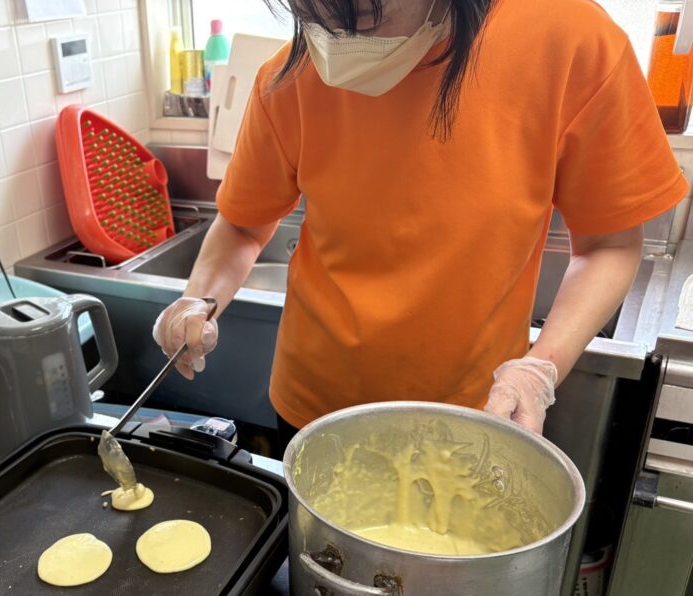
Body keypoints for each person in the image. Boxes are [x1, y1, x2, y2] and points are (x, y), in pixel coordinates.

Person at [152, 0, 688, 445]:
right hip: (316, 409)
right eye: (313, 15)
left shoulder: (568, 42)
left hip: (473, 414)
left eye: (364, 14)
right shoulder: (287, 77)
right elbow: (243, 225)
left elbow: (609, 245)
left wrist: (538, 369)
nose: (337, 38)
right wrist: (198, 300)